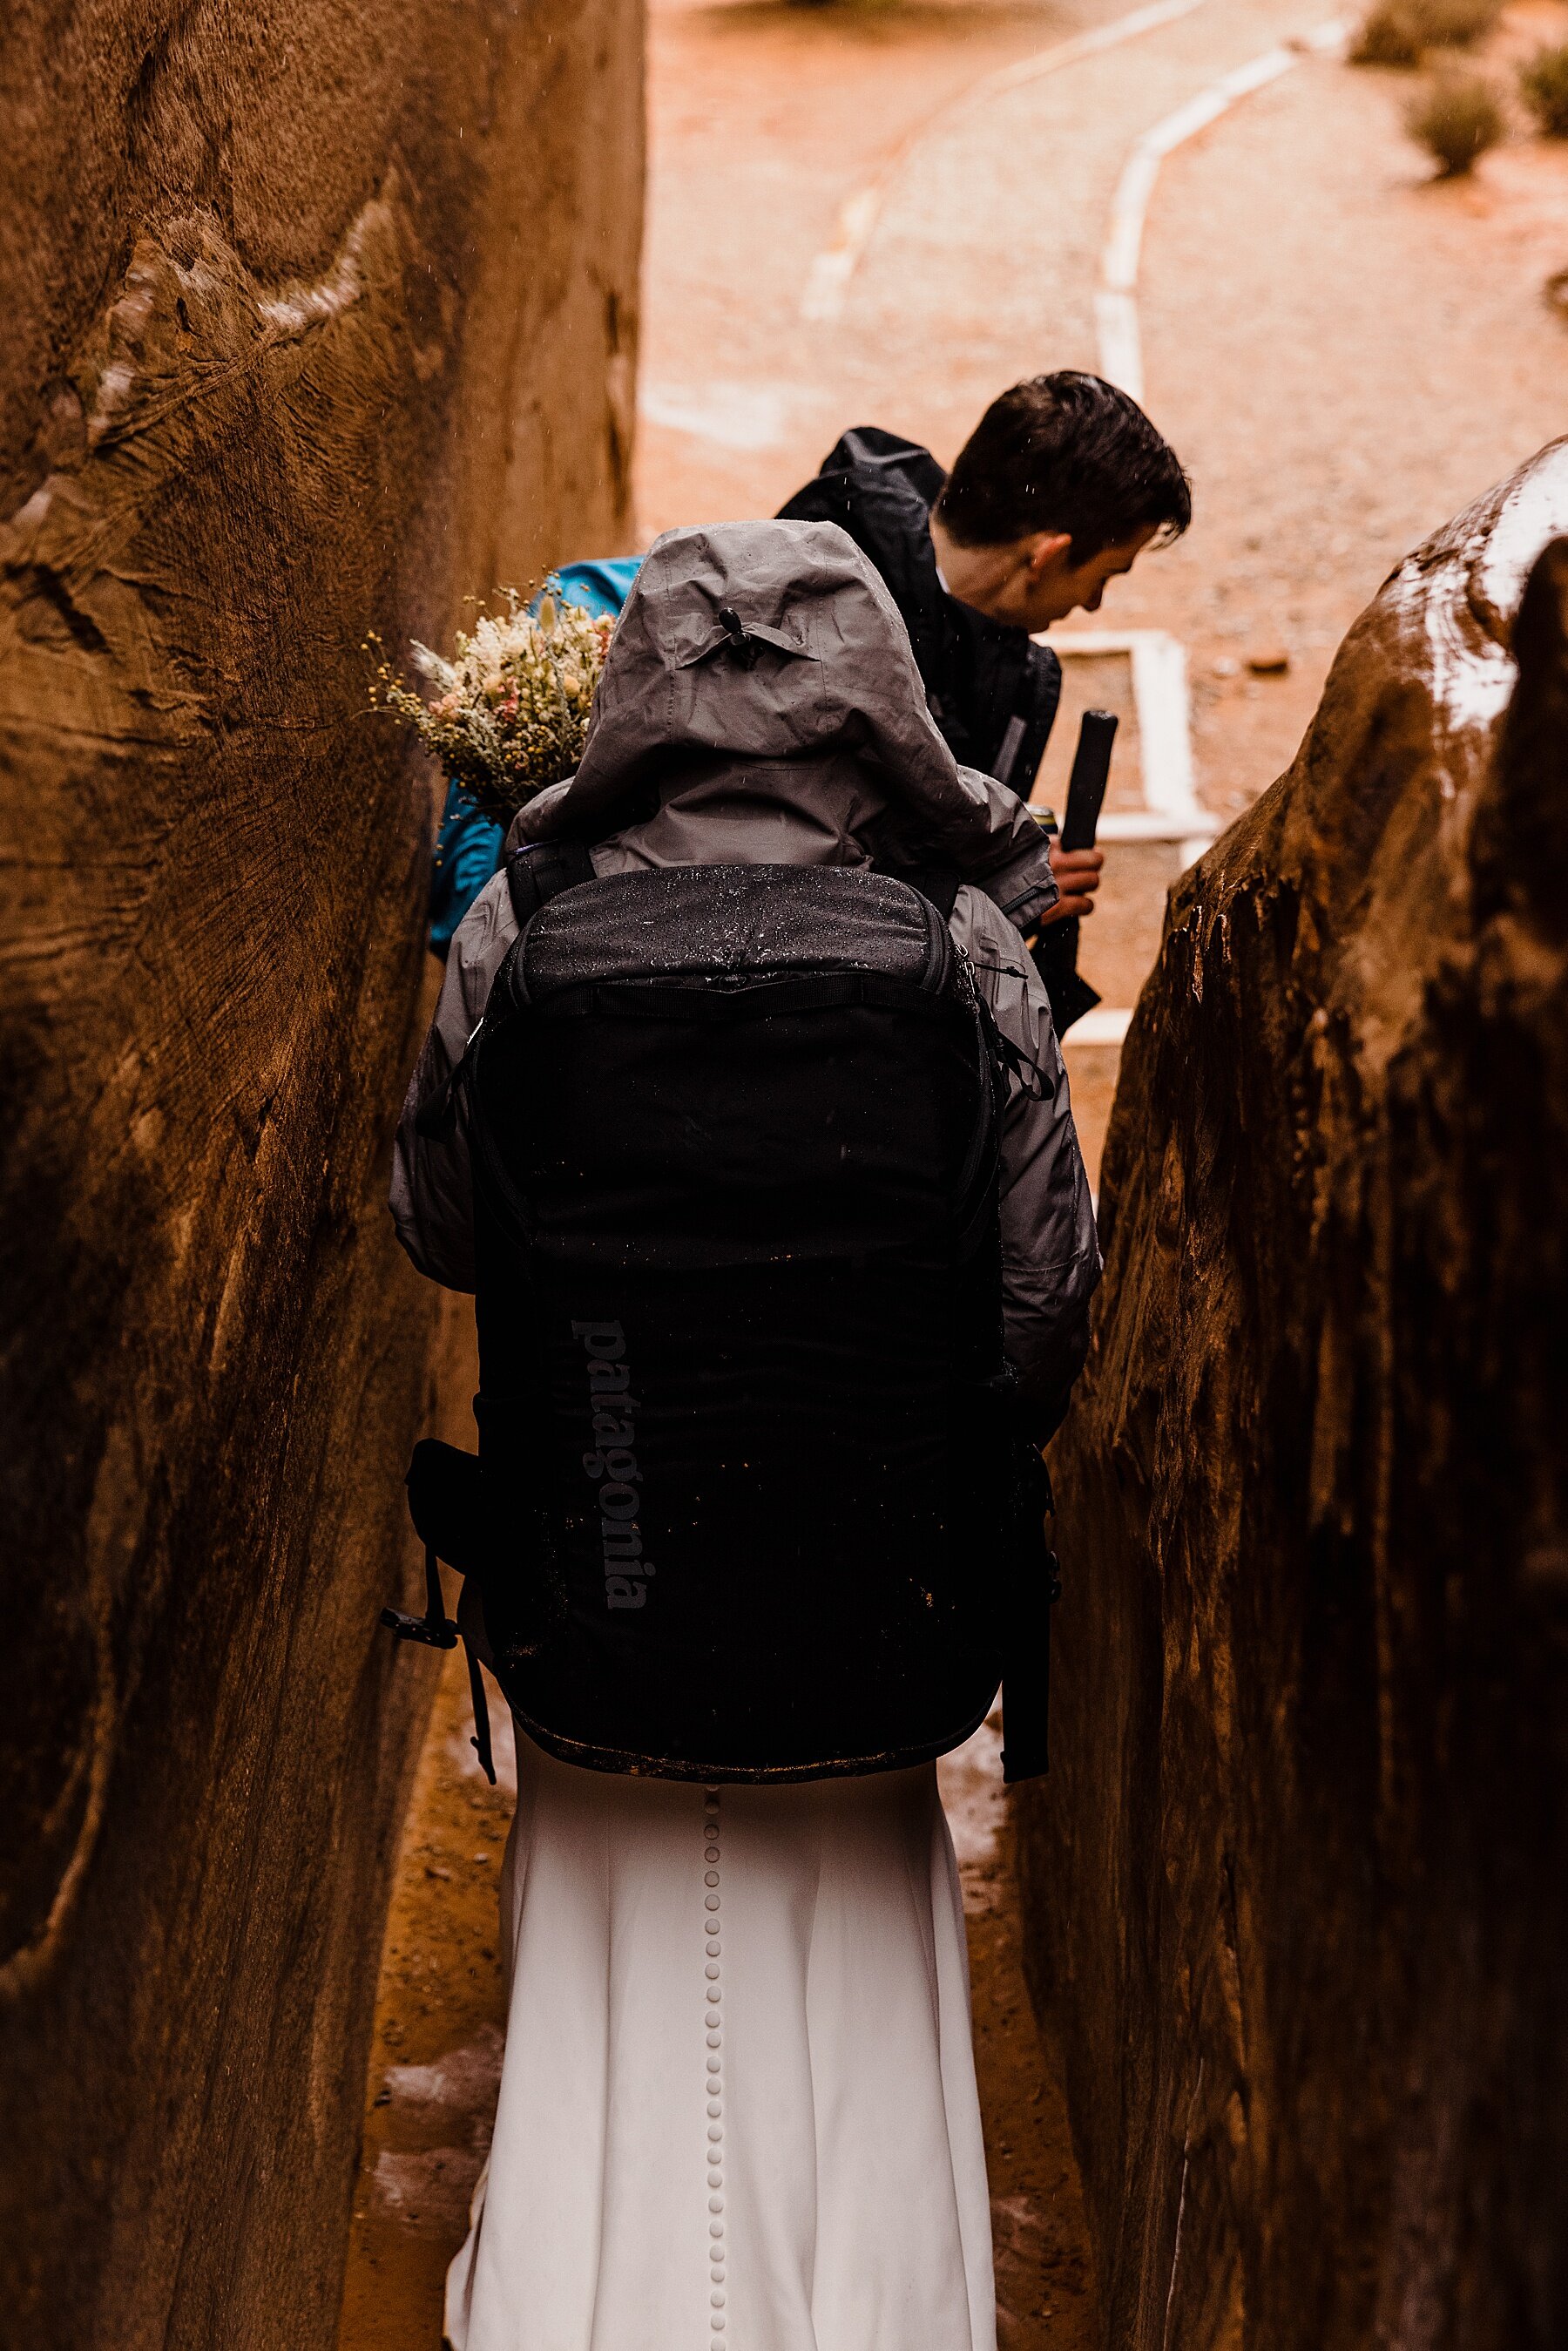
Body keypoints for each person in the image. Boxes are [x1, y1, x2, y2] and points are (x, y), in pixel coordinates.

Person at [391, 518, 1098, 2351]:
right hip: (876, 1607)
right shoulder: (963, 953)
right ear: (876, 702)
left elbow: (444, 1229)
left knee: (625, 1935)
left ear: (630, 701)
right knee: (841, 1947)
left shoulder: (519, 932)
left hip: (593, 1581)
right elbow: (1039, 1326)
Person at [778, 370, 1193, 955]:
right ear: (1049, 555)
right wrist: (993, 904)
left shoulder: (994, 648)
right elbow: (797, 893)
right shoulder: (821, 628)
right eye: (1105, 575)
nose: (1094, 603)